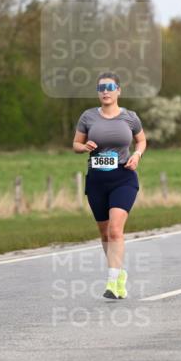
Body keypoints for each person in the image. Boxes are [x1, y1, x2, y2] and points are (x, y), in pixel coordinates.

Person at [72, 72, 146, 300]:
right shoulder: (88, 117)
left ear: (118, 91)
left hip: (123, 178)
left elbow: (141, 140)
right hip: (97, 180)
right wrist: (84, 147)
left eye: (110, 87)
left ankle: (112, 281)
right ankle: (119, 272)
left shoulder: (130, 117)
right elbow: (76, 144)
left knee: (115, 230)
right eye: (101, 88)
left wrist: (137, 155)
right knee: (105, 233)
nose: (105, 91)